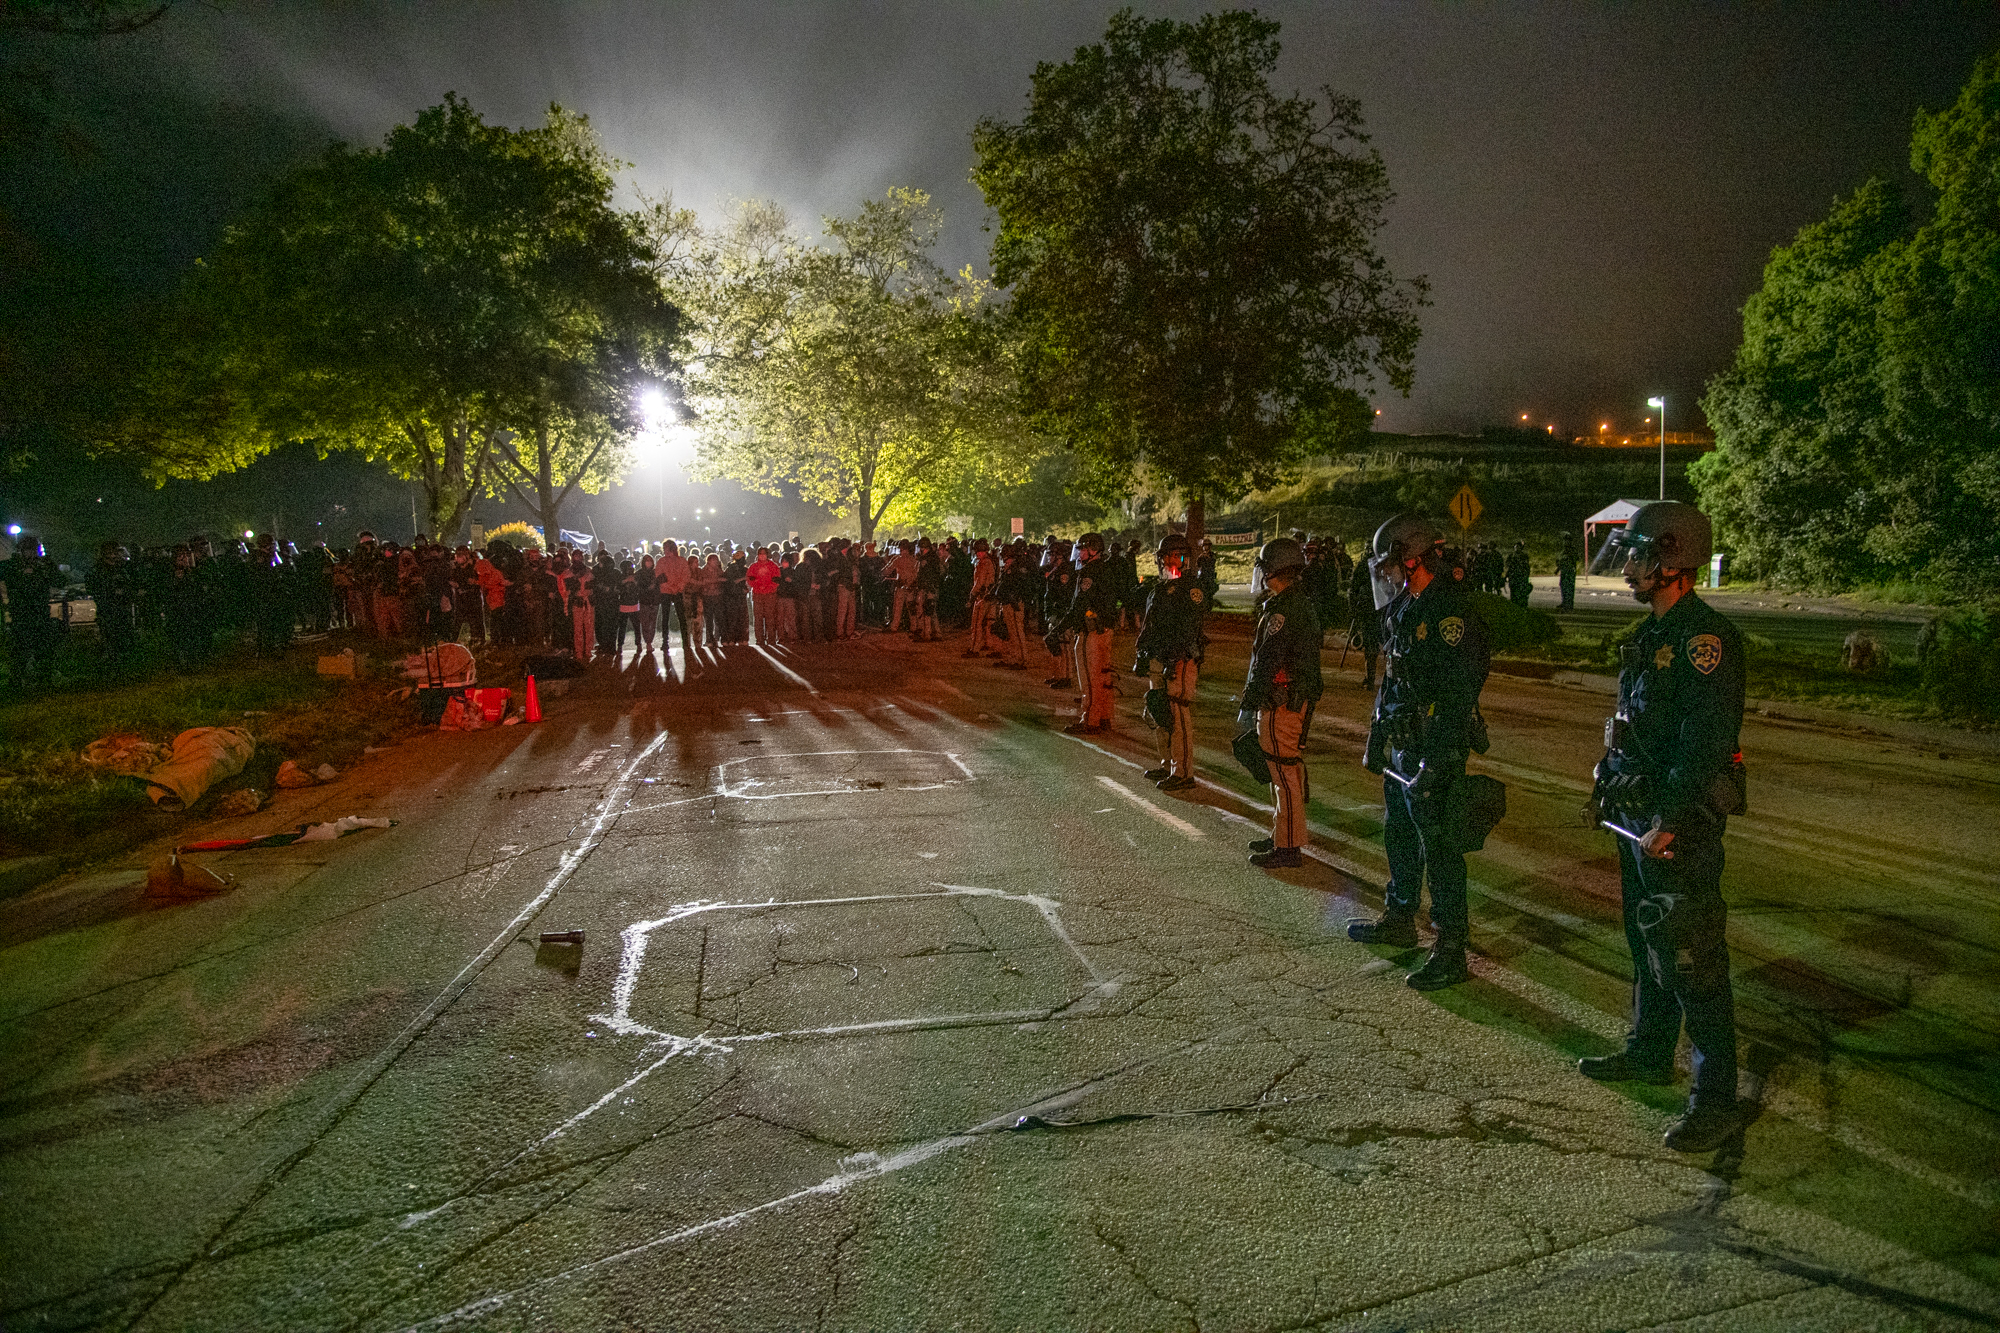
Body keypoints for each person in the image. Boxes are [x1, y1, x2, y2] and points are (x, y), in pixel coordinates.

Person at [1578, 500, 1750, 1154]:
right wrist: (1607, 784)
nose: (1627, 567)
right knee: (1646, 940)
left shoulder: (1705, 642)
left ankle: (1715, 1098)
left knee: (1692, 953)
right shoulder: (1651, 634)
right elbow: (1635, 727)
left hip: (1677, 823)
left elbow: (1704, 744)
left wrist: (1671, 819)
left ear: (1673, 560)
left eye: (1638, 556)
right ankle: (1650, 1050)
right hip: (1638, 816)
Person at [1347, 514, 1492, 991]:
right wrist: (1376, 736)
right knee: (1400, 834)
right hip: (1403, 743)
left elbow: (1459, 692)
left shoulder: (1450, 613)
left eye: (1390, 565)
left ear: (1412, 560)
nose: (1385, 574)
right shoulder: (1405, 607)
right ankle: (1400, 916)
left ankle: (1450, 947)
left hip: (1435, 747)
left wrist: (1439, 757)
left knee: (1441, 848)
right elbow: (1392, 679)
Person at [1240, 538, 1322, 868]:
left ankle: (1288, 846)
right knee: (1284, 771)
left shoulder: (1284, 610)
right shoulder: (1298, 603)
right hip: (1292, 698)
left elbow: (1269, 659)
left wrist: (1251, 697)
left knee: (1283, 772)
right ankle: (1283, 834)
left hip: (1281, 701)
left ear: (1275, 570)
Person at [1133, 533, 1206, 790]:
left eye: (1174, 556)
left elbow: (1189, 629)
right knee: (1160, 710)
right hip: (1158, 656)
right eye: (1166, 556)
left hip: (1179, 659)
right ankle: (1167, 764)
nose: (1167, 561)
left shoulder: (1191, 589)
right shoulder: (1161, 588)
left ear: (1184, 559)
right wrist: (1142, 651)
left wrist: (1174, 658)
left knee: (1178, 714)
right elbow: (1150, 625)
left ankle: (1183, 771)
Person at [1051, 532, 1117, 734]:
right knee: (1104, 677)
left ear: (1093, 550)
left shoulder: (1089, 572)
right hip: (1105, 629)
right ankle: (1104, 716)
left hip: (1091, 631)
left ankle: (1090, 719)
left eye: (1082, 549)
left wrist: (1058, 629)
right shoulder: (1107, 569)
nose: (1079, 554)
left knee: (1090, 678)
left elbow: (1079, 606)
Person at [993, 540, 1035, 670]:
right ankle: (1011, 657)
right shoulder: (1009, 568)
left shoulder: (1018, 569)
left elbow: (1021, 587)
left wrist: (1014, 598)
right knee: (1010, 632)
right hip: (1007, 603)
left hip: (1015, 603)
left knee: (1017, 632)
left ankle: (1022, 659)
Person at [1346, 555, 1384, 689]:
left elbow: (1353, 589)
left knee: (1374, 645)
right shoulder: (1367, 564)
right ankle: (1371, 678)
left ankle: (1371, 679)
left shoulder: (1384, 561)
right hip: (1372, 610)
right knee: (1372, 645)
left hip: (1379, 609)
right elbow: (1354, 589)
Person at [963, 538, 997, 658]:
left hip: (982, 596)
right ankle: (989, 644)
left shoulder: (983, 563)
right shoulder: (992, 561)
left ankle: (974, 648)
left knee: (977, 623)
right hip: (990, 596)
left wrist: (973, 593)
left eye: (980, 551)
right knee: (989, 622)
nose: (978, 553)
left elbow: (980, 581)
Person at [748, 546, 781, 644]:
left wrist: (767, 587)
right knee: (758, 618)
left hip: (770, 595)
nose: (762, 556)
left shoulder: (773, 566)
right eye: (760, 554)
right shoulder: (753, 567)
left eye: (764, 554)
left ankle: (771, 638)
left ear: (767, 555)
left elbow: (776, 580)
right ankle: (759, 639)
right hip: (757, 595)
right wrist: (759, 586)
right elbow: (750, 579)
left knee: (770, 617)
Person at [1505, 540, 1533, 608]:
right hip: (1513, 577)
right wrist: (1507, 575)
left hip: (1521, 577)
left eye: (1518, 547)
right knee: (1513, 592)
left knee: (1522, 592)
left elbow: (1526, 567)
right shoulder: (1511, 556)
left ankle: (1522, 605)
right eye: (1515, 547)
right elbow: (1508, 566)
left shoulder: (1523, 556)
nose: (1516, 548)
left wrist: (1526, 576)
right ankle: (1514, 605)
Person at [1557, 531, 1579, 611]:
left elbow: (1575, 559)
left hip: (1569, 571)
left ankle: (1568, 604)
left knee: (1568, 587)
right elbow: (1561, 561)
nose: (1564, 542)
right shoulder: (1564, 550)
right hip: (1564, 570)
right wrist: (1558, 569)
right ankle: (1565, 602)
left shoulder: (1571, 550)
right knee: (1563, 586)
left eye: (1566, 540)